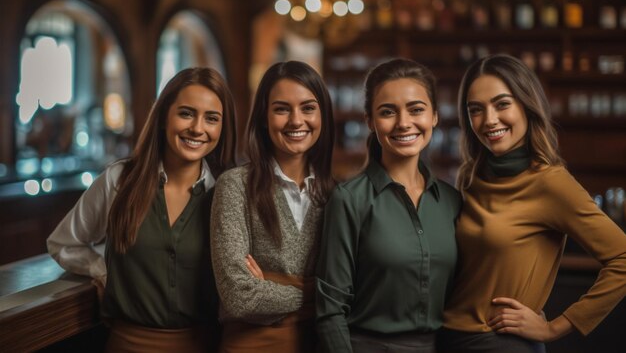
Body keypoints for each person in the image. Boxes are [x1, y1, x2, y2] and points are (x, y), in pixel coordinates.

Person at [438, 54, 626, 353]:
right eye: (476, 109)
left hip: (500, 344)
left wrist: (555, 327)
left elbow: (622, 258)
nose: (489, 120)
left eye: (502, 104)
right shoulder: (471, 177)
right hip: (446, 338)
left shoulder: (550, 182)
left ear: (527, 105)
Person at [47, 67, 237, 352]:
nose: (198, 128)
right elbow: (64, 243)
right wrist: (101, 271)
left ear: (222, 128)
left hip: (206, 345)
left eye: (211, 118)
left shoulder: (227, 190)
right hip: (128, 345)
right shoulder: (120, 180)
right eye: (186, 113)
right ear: (163, 117)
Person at [316, 58, 462, 353]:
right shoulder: (349, 199)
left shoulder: (452, 201)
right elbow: (330, 311)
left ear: (434, 116)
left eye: (416, 109)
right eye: (387, 112)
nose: (404, 123)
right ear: (370, 121)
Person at [210, 60, 335, 353]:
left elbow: (355, 290)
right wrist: (316, 292)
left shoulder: (337, 195)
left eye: (308, 107)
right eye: (281, 109)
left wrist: (272, 287)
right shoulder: (235, 186)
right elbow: (240, 296)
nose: (296, 120)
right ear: (264, 118)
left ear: (323, 116)